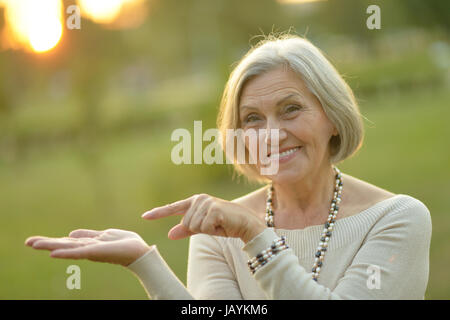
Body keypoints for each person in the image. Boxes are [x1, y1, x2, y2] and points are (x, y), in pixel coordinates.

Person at [25, 34, 432, 300]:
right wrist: (143, 261)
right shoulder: (218, 232)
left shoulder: (397, 219)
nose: (270, 134)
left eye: (291, 109)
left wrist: (255, 235)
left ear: (331, 116)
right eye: (253, 119)